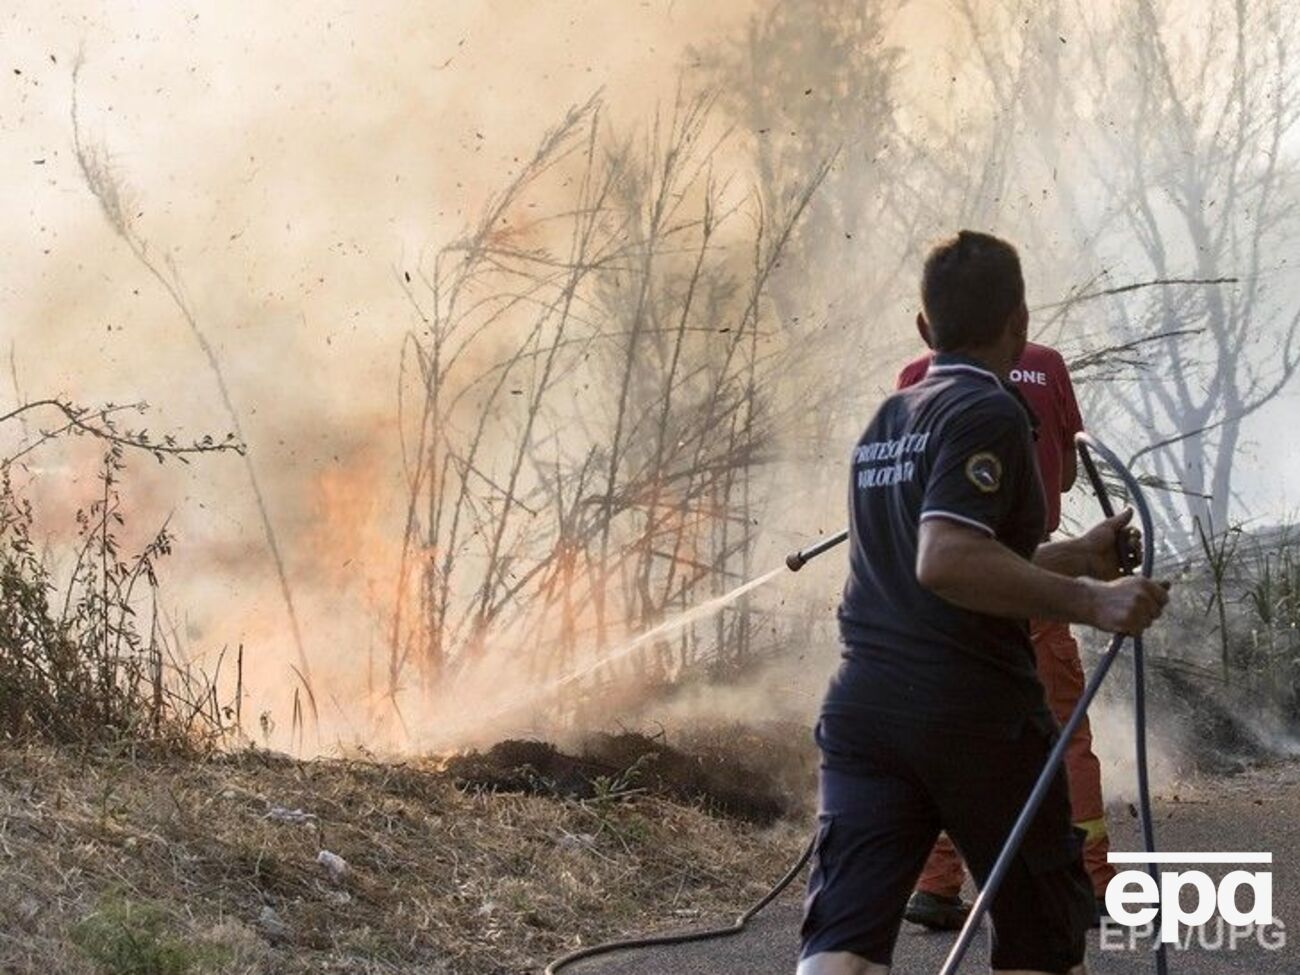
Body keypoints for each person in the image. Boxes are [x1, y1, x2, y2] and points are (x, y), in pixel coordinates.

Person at [798, 230, 1169, 975]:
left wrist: (1078, 555)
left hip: (867, 717)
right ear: (1020, 321)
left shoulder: (885, 423)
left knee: (841, 950)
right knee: (1041, 942)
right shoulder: (990, 409)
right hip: (975, 712)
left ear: (924, 328)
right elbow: (948, 560)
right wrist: (1092, 600)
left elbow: (946, 561)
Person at [896, 331, 1117, 929]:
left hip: (950, 582)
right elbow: (1065, 475)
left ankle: (935, 884)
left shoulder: (915, 375)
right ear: (1013, 314)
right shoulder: (1044, 364)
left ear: (929, 321)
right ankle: (1091, 880)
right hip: (1030, 573)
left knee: (949, 731)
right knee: (1063, 731)